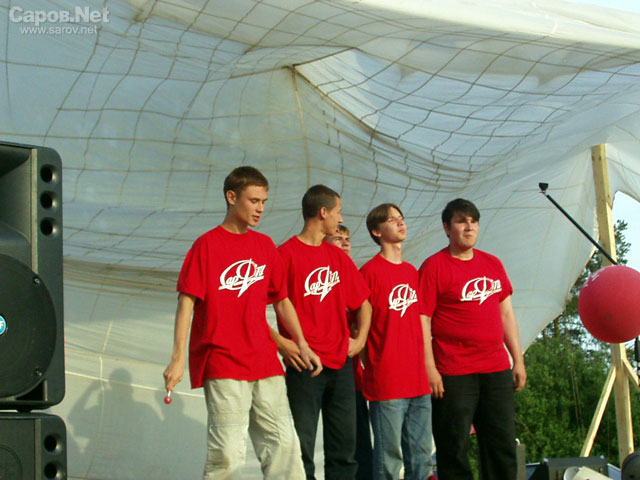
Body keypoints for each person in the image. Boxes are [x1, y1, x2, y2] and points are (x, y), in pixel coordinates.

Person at [163, 166, 322, 480]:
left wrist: (302, 343)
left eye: (264, 201)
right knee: (227, 455)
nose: (260, 208)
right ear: (231, 197)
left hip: (265, 362)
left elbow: (282, 300)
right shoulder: (206, 245)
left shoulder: (264, 245)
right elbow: (186, 303)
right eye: (254, 201)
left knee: (285, 448)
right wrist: (178, 358)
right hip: (223, 360)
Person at [418, 198, 527, 480]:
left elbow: (506, 314)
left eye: (474, 221)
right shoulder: (434, 266)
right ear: (447, 227)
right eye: (461, 221)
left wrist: (518, 360)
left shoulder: (492, 263)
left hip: (496, 369)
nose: (469, 227)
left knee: (502, 445)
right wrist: (429, 368)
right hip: (453, 371)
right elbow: (422, 320)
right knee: (453, 447)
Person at [273, 184, 372, 480]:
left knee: (344, 450)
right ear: (323, 212)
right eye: (338, 212)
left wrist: (360, 340)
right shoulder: (284, 254)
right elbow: (261, 305)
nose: (340, 219)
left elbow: (364, 303)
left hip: (341, 364)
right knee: (301, 447)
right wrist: (283, 344)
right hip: (304, 364)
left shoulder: (337, 257)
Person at [361, 203, 434, 480]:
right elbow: (359, 327)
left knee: (421, 458)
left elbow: (422, 323)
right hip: (387, 383)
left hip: (418, 381)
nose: (401, 223)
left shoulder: (412, 272)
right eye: (392, 220)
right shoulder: (368, 272)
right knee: (388, 462)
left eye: (401, 218)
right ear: (376, 231)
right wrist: (374, 366)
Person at [325, 224, 374, 480]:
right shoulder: (320, 276)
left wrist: (359, 340)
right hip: (316, 369)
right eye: (337, 238)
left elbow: (364, 316)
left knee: (357, 444)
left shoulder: (354, 277)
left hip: (351, 375)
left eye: (347, 239)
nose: (345, 243)